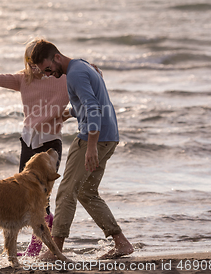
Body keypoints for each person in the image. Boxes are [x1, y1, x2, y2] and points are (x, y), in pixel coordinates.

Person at [30, 40, 134, 260]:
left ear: (56, 57)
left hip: (92, 139)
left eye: (48, 69)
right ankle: (121, 243)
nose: (48, 74)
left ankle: (55, 249)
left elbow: (93, 108)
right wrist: (67, 113)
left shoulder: (76, 73)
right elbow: (89, 105)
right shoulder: (82, 67)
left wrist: (91, 147)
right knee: (87, 193)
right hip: (109, 136)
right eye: (44, 72)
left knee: (66, 191)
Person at [0, 38, 70, 257]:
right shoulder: (23, 79)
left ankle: (36, 248)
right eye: (31, 63)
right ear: (28, 62)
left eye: (39, 63)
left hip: (51, 143)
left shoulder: (63, 78)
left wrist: (94, 70)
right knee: (21, 196)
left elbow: (84, 79)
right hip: (28, 141)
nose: (36, 68)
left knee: (42, 199)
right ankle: (13, 249)